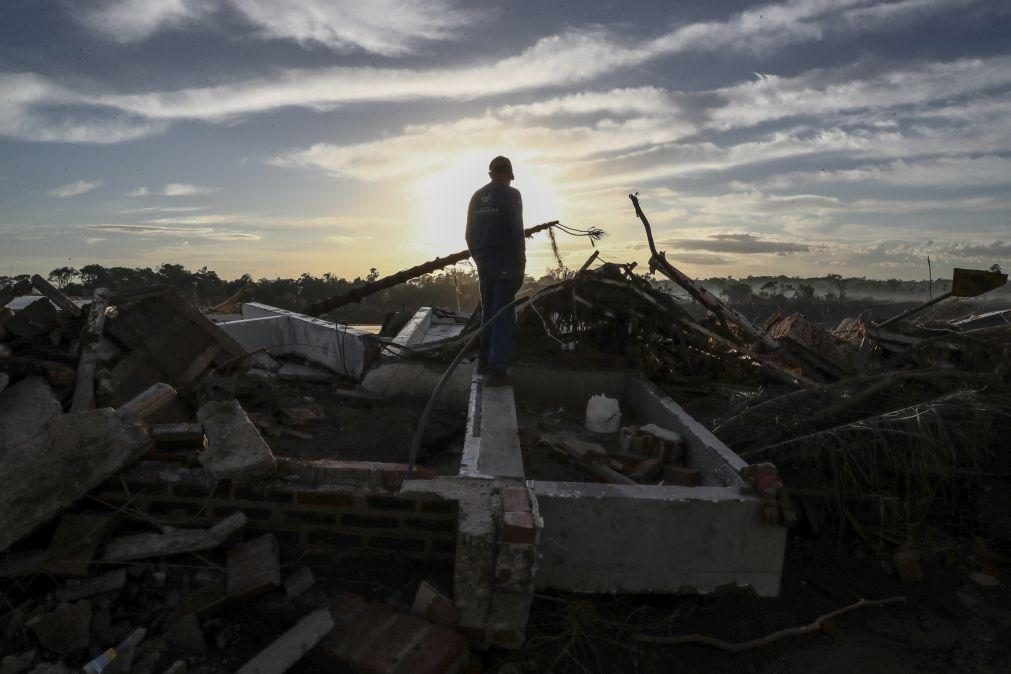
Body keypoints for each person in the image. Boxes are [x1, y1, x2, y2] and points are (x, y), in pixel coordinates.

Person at [465, 155, 525, 385]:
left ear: (491, 174)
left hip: (485, 264)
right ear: (507, 174)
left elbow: (468, 236)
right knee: (503, 315)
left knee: (488, 313)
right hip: (506, 265)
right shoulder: (512, 195)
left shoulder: (477, 196)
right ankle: (498, 369)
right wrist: (521, 262)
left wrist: (479, 259)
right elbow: (516, 232)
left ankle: (483, 363)